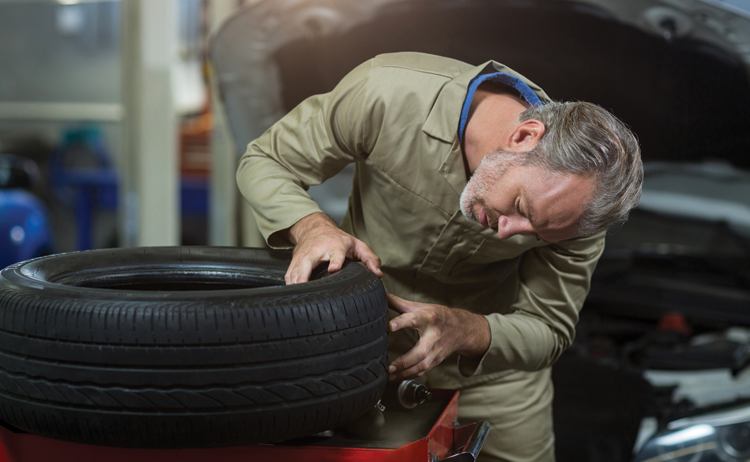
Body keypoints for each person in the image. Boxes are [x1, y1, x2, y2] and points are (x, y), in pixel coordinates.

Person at [236, 52, 643, 462]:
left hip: (493, 379)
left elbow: (549, 328)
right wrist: (313, 227)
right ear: (524, 137)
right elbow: (267, 160)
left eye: (535, 235)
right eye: (521, 207)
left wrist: (466, 330)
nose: (509, 232)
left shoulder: (578, 212)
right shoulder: (389, 94)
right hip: (361, 350)